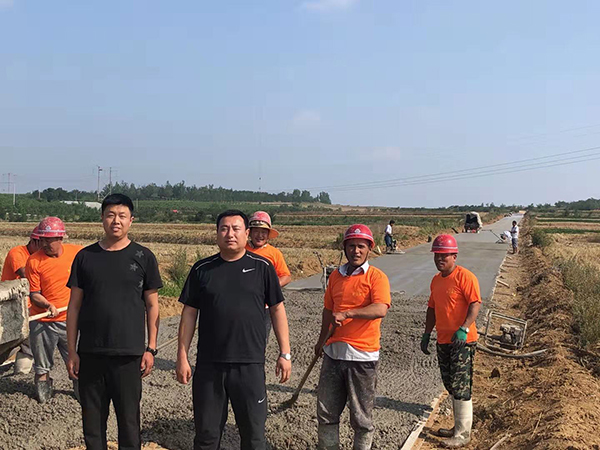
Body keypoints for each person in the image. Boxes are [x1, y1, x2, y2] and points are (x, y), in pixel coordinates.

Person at [176, 209, 292, 450]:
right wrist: (182, 356)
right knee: (206, 437)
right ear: (217, 233)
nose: (230, 234)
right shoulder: (202, 269)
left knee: (254, 437)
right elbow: (189, 313)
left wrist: (285, 353)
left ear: (246, 233)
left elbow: (277, 310)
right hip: (209, 366)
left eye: (236, 229)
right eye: (224, 228)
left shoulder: (263, 267)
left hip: (249, 365)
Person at [66, 193, 162, 450]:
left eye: (122, 216)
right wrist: (72, 351)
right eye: (110, 215)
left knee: (129, 422)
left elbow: (153, 305)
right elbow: (74, 306)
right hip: (91, 353)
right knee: (92, 423)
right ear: (102, 218)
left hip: (128, 355)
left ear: (131, 220)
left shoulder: (143, 256)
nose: (115, 221)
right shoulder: (85, 257)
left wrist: (151, 348)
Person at [313, 224, 391, 450]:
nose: (356, 251)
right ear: (344, 248)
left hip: (362, 357)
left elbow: (380, 309)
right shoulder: (336, 277)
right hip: (333, 354)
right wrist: (321, 341)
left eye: (361, 246)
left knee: (361, 416)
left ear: (369, 249)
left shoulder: (376, 277)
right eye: (351, 246)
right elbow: (328, 311)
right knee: (326, 411)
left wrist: (348, 313)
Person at [420, 234, 481, 448]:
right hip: (444, 340)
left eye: (444, 255)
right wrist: (427, 333)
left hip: (463, 341)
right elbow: (432, 308)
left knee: (460, 384)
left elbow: (475, 304)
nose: (439, 259)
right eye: (437, 255)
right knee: (450, 384)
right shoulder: (436, 280)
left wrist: (464, 328)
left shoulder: (465, 277)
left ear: (454, 256)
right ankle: (458, 427)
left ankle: (463, 435)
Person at [25, 216, 82, 402]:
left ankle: (82, 392)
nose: (44, 244)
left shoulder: (76, 253)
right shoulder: (34, 261)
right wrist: (48, 305)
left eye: (49, 240)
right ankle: (44, 393)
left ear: (60, 238)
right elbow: (34, 294)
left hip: (70, 320)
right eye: (42, 240)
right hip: (43, 322)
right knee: (42, 366)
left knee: (77, 361)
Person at [1, 225, 41, 374]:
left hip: (29, 307)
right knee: (8, 341)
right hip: (11, 307)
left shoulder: (40, 257)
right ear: (34, 241)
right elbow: (26, 276)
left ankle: (21, 373)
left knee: (28, 341)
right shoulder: (17, 253)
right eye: (43, 243)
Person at [246, 211, 292, 342]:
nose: (260, 235)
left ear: (268, 234)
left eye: (263, 232)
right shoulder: (241, 249)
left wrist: (270, 287)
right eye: (256, 231)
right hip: (241, 304)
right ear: (249, 232)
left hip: (264, 306)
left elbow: (286, 276)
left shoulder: (274, 253)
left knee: (260, 339)